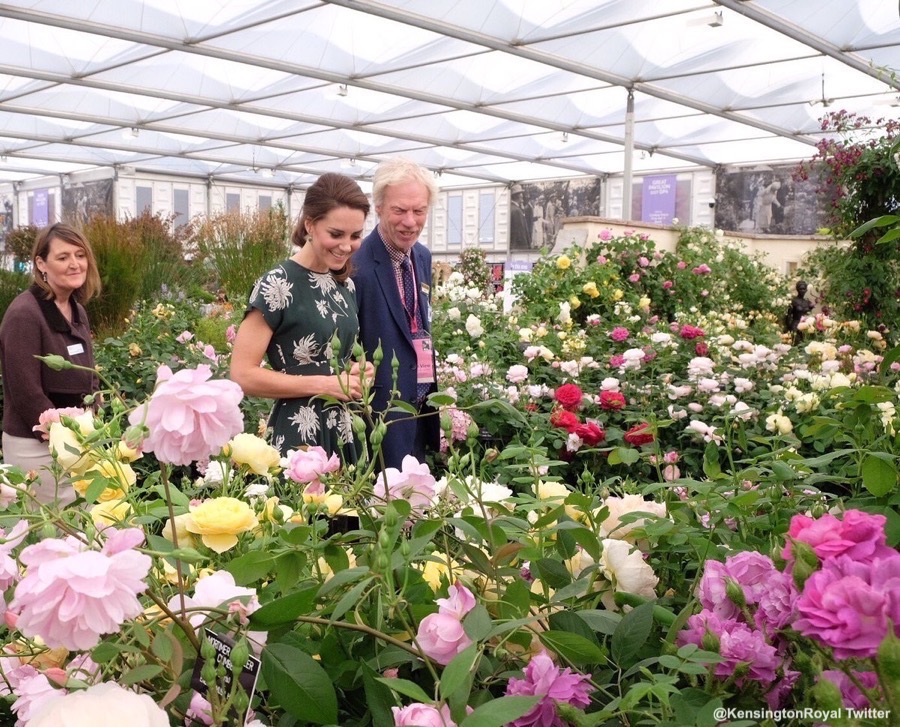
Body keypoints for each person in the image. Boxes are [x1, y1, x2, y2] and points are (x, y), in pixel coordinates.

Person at [229, 173, 373, 459]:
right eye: (336, 234)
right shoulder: (277, 284)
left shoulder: (345, 285)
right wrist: (325, 384)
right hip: (300, 435)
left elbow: (337, 359)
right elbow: (242, 374)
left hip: (346, 430)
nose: (346, 246)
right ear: (310, 224)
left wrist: (358, 371)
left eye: (355, 236)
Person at [0, 223, 101, 505]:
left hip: (76, 444)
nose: (75, 264)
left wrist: (94, 420)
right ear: (41, 263)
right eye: (63, 257)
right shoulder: (25, 314)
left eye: (80, 255)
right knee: (54, 537)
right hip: (37, 448)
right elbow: (26, 393)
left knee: (81, 533)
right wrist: (62, 437)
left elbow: (89, 373)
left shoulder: (75, 309)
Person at [352, 158, 440, 470]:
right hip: (380, 414)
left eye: (419, 211)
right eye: (399, 210)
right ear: (378, 207)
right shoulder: (357, 264)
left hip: (420, 403)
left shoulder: (422, 256)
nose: (410, 221)